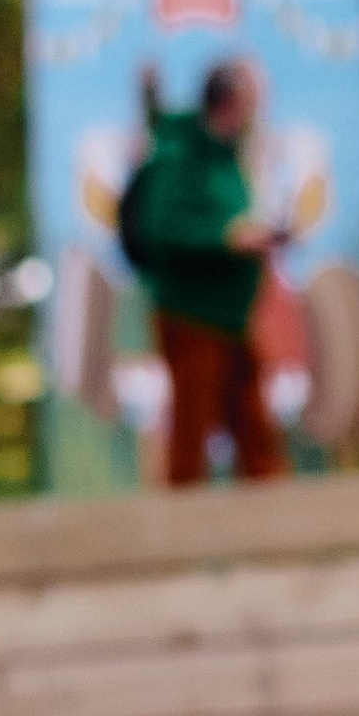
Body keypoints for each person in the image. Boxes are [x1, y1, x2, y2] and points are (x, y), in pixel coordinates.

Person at [124, 59, 287, 489]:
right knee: (192, 440)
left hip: (232, 317)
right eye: (254, 99)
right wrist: (226, 237)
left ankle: (277, 536)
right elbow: (164, 228)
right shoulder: (179, 154)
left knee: (257, 436)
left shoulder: (228, 153)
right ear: (232, 102)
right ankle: (181, 543)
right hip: (191, 314)